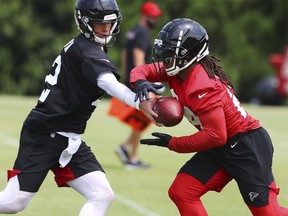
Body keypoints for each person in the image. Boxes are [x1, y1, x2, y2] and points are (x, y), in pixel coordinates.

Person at [0, 0, 158, 215]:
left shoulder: (88, 47)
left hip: (67, 137)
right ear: (84, 23)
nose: (105, 28)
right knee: (13, 202)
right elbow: (108, 84)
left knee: (101, 194)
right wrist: (142, 103)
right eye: (98, 23)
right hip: (45, 134)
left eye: (109, 23)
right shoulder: (87, 51)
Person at [130, 18, 288, 216]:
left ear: (189, 54)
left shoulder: (202, 85)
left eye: (172, 52)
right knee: (182, 192)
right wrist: (140, 83)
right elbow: (142, 69)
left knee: (268, 213)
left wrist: (174, 144)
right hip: (221, 145)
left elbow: (216, 135)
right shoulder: (179, 70)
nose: (166, 57)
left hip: (245, 146)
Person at [107, 1, 163, 169]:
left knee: (142, 119)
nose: (155, 19)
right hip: (139, 83)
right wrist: (142, 82)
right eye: (153, 16)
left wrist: (128, 77)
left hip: (132, 81)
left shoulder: (133, 31)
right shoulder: (143, 33)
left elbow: (125, 55)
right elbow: (138, 56)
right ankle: (132, 158)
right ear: (144, 16)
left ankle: (125, 148)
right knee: (143, 117)